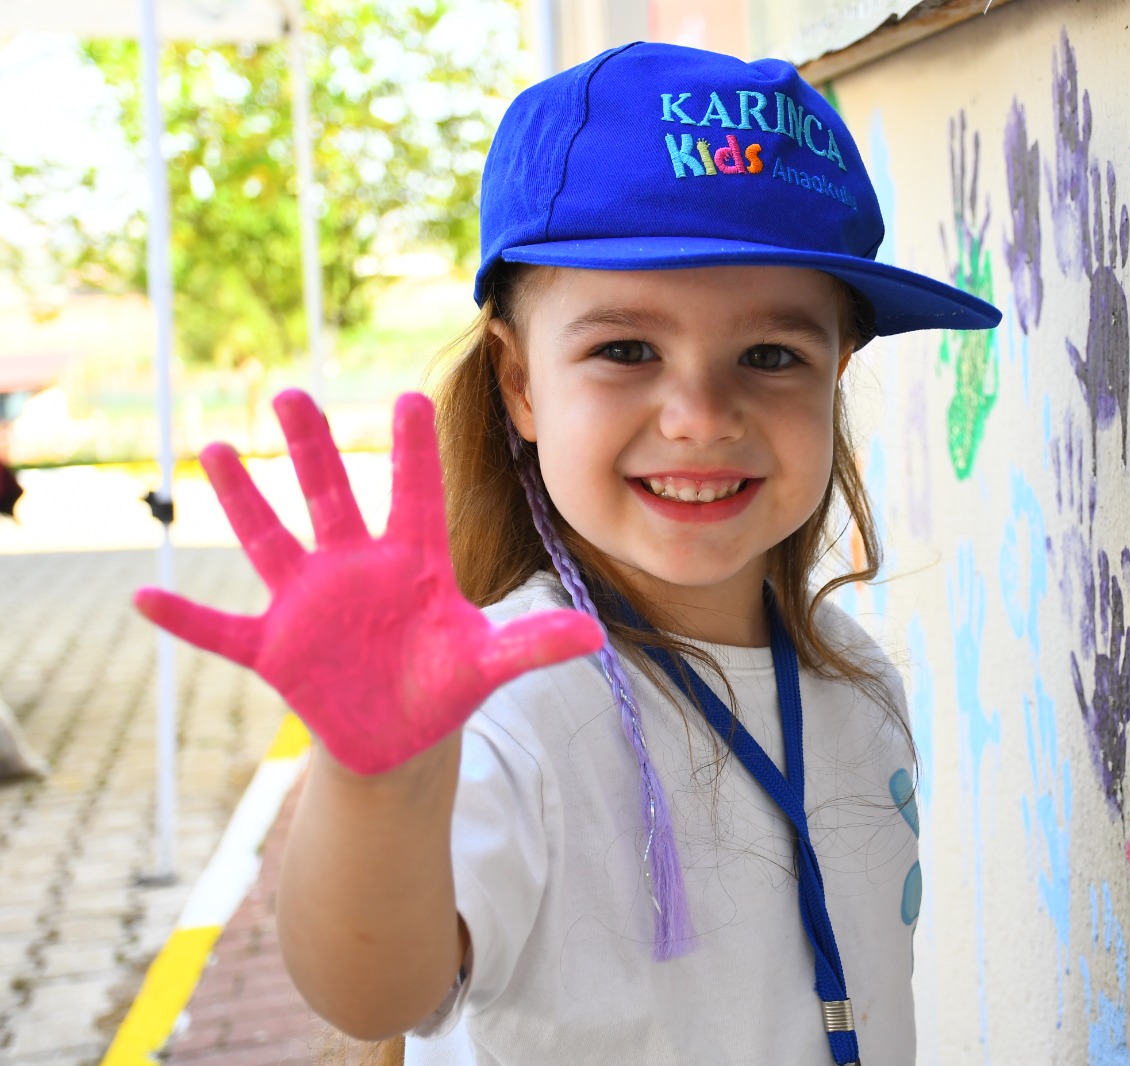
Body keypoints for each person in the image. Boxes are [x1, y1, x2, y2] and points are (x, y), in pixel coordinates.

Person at [135, 42, 999, 1065]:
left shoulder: (853, 675)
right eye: (626, 350)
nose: (698, 416)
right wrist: (377, 778)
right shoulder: (508, 702)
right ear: (520, 383)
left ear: (838, 372)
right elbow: (376, 990)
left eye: (771, 355)